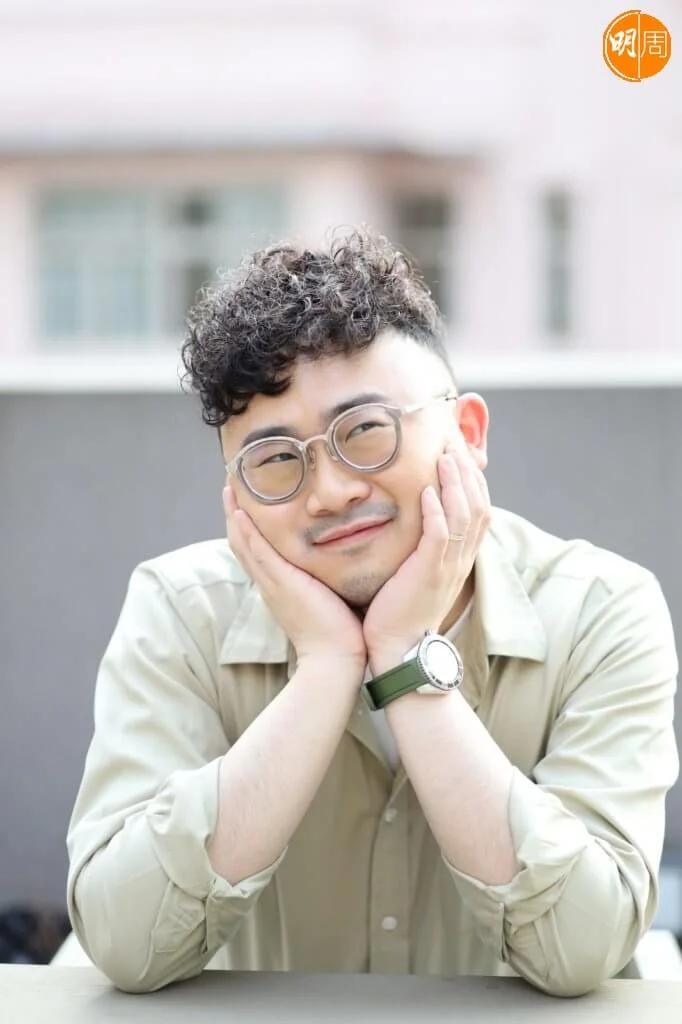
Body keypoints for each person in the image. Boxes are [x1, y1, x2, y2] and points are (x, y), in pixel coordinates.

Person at [66, 228, 678, 997]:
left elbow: (584, 946)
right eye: (275, 460)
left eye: (364, 432)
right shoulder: (180, 610)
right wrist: (327, 668)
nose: (329, 493)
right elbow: (126, 941)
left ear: (467, 434)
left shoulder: (601, 609)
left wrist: (405, 655)